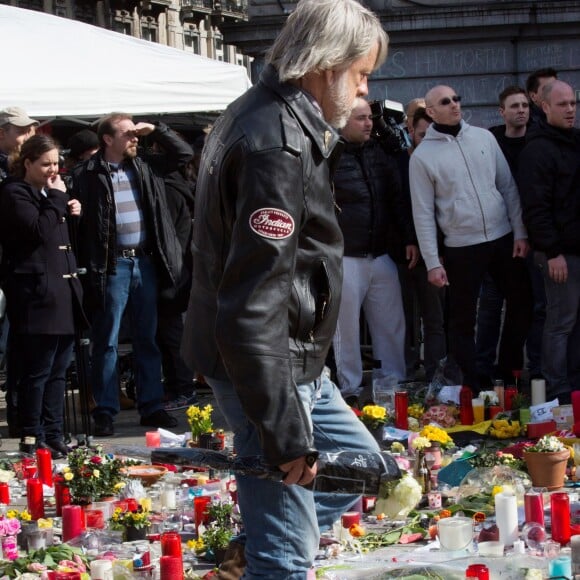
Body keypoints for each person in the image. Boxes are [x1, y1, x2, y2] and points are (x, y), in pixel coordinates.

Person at [181, 0, 389, 577]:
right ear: (328, 67)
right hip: (269, 364)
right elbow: (253, 300)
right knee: (287, 557)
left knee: (364, 467)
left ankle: (264, 542)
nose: (364, 89)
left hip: (293, 361)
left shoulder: (275, 117)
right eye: (362, 75)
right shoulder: (278, 141)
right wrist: (283, 431)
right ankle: (272, 550)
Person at [71, 114, 192, 436]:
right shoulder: (87, 173)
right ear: (107, 139)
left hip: (145, 262)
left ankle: (151, 406)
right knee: (107, 341)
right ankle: (106, 409)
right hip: (112, 265)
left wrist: (158, 129)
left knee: (147, 339)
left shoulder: (145, 166)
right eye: (128, 133)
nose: (135, 138)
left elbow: (184, 155)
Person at [409, 85, 533, 392]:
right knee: (461, 321)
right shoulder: (422, 157)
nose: (454, 105)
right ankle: (474, 386)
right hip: (461, 246)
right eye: (445, 102)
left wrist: (519, 231)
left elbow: (507, 187)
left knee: (523, 303)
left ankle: (507, 373)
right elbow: (422, 213)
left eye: (456, 99)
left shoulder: (484, 137)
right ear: (431, 112)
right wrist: (433, 262)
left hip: (502, 236)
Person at [0, 134, 87, 458]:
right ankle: (32, 435)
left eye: (56, 164)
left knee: (59, 371)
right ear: (28, 164)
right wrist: (57, 200)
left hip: (62, 291)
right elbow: (36, 231)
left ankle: (54, 432)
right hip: (36, 293)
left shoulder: (48, 193)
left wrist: (71, 211)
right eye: (46, 164)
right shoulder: (14, 193)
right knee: (38, 370)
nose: (53, 170)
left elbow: (58, 239)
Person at [332, 97, 415, 404]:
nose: (368, 123)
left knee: (391, 324)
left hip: (380, 252)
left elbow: (396, 198)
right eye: (360, 118)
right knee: (346, 331)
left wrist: (408, 237)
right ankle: (349, 389)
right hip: (346, 254)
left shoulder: (380, 151)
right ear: (342, 121)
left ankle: (392, 385)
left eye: (370, 117)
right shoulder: (329, 155)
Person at [518, 80, 580, 403]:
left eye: (573, 103)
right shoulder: (537, 149)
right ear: (545, 107)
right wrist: (552, 252)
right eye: (563, 104)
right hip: (558, 253)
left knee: (574, 322)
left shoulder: (574, 141)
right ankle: (557, 390)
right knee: (559, 322)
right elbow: (536, 207)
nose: (570, 109)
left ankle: (574, 386)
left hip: (575, 248)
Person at [475, 86, 541, 384]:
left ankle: (512, 371)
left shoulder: (538, 140)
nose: (521, 110)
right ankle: (483, 370)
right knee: (490, 305)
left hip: (532, 236)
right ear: (502, 112)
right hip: (497, 236)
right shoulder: (491, 141)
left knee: (525, 308)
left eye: (525, 105)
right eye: (514, 106)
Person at [397, 107, 447, 381]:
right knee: (404, 318)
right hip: (405, 253)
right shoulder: (400, 163)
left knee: (434, 318)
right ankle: (406, 372)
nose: (426, 140)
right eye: (421, 134)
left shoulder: (444, 163)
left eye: (431, 135)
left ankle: (434, 375)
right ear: (411, 133)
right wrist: (409, 240)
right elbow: (400, 206)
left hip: (437, 253)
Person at [0, 106, 38, 438]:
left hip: (14, 270)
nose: (26, 136)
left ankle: (18, 415)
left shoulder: (15, 172)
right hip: (10, 269)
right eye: (20, 130)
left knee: (17, 347)